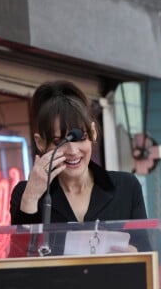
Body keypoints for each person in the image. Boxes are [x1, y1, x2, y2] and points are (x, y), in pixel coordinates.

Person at [10, 80, 147, 252]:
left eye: (79, 137)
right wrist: (31, 197)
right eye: (59, 142)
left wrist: (131, 255)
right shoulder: (25, 194)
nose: (73, 151)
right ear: (40, 143)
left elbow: (146, 255)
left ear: (93, 133)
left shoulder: (126, 186)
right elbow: (17, 266)